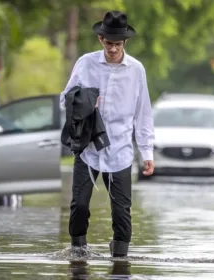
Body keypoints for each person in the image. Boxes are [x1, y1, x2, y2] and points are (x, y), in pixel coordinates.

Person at [60, 10, 155, 258]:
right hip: (88, 147)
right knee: (79, 206)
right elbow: (64, 99)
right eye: (109, 43)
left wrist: (147, 151)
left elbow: (143, 112)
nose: (113, 49)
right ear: (101, 40)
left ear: (125, 43)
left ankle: (120, 261)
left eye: (118, 44)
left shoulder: (136, 70)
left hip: (120, 149)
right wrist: (84, 103)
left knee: (122, 212)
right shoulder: (85, 63)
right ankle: (78, 255)